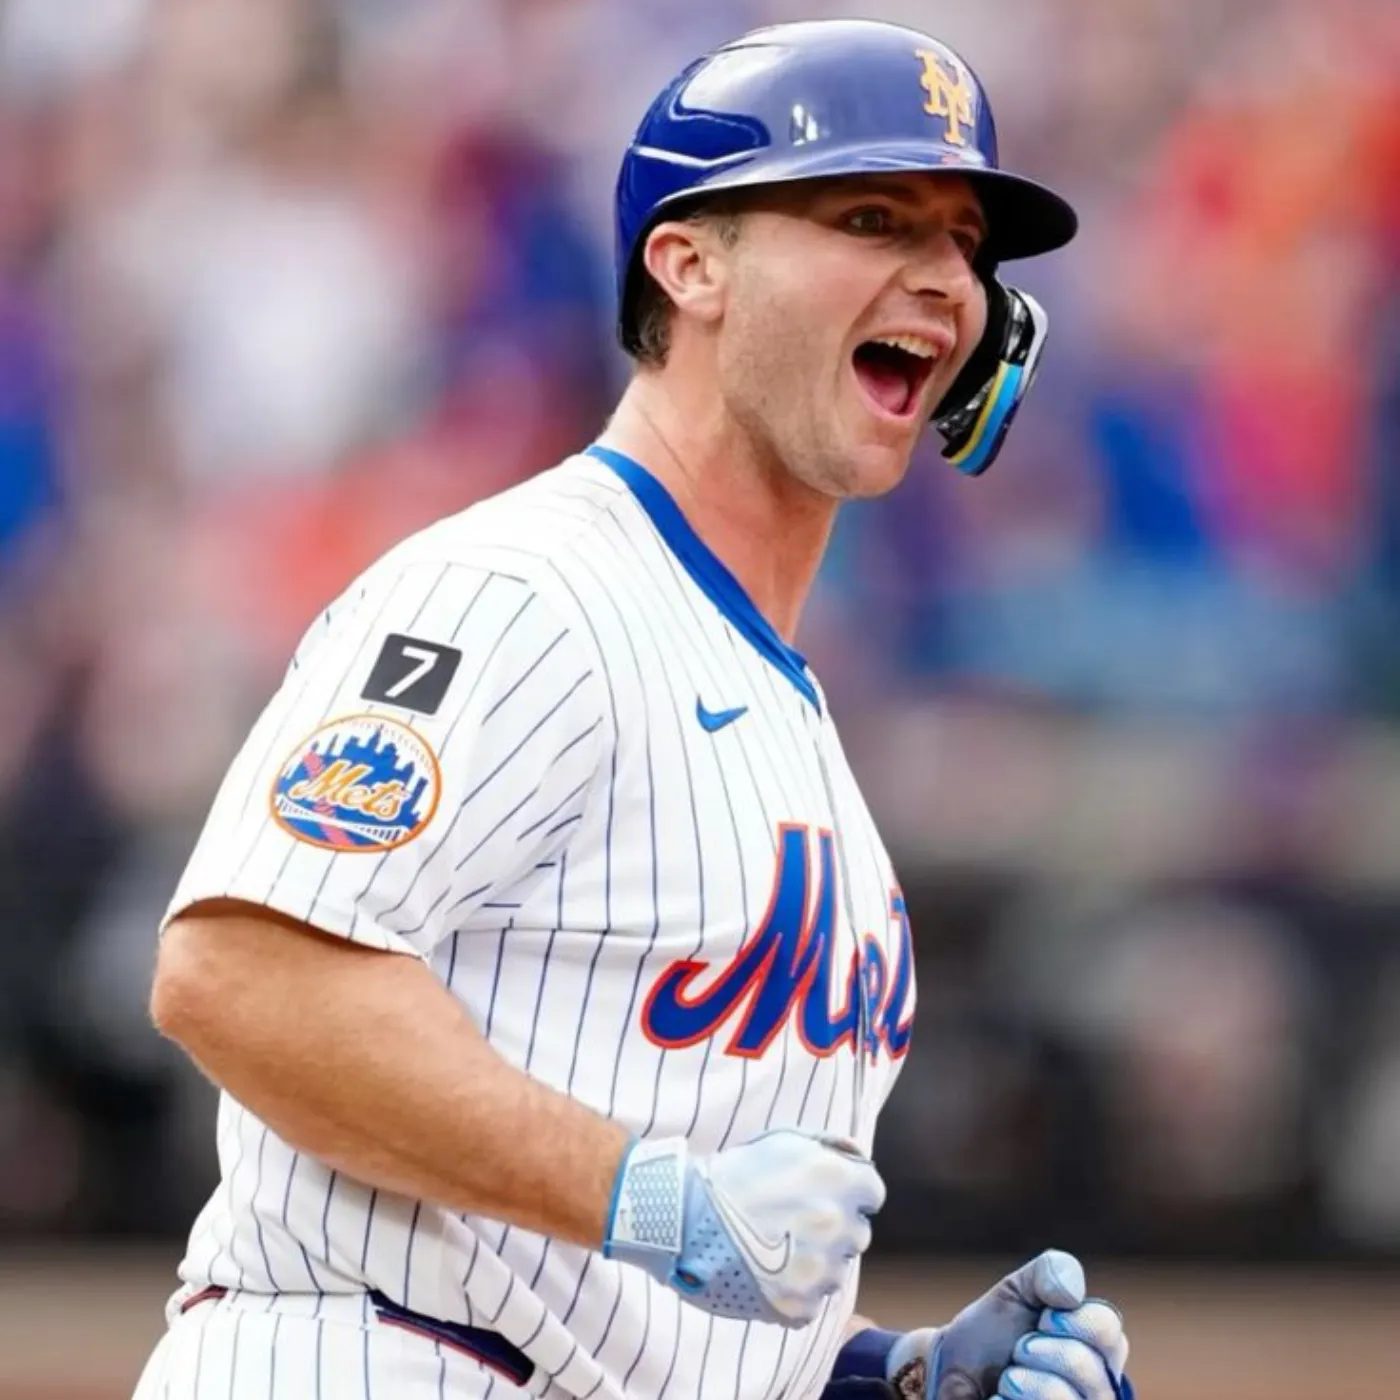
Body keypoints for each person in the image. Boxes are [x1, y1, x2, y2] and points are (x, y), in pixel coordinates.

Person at [133, 19, 1133, 1400]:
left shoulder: (778, 702)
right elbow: (241, 974)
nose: (943, 277)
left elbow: (650, 1284)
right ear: (689, 262)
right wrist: (656, 1203)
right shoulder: (523, 591)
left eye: (965, 244)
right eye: (871, 217)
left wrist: (878, 1379)